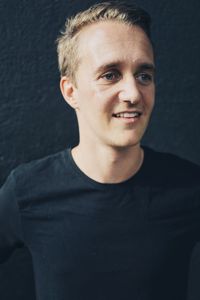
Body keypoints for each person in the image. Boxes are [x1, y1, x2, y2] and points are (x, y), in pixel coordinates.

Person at [0, 2, 200, 300]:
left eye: (144, 75)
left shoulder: (190, 187)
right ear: (71, 91)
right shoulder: (26, 191)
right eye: (110, 75)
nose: (133, 93)